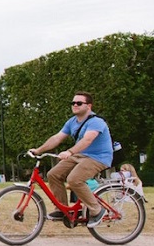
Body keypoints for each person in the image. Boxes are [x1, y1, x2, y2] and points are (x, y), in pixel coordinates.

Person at [28, 91, 113, 227]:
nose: (75, 105)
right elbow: (57, 137)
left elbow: (88, 139)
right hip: (80, 156)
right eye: (73, 103)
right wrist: (38, 150)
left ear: (89, 106)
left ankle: (97, 210)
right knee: (53, 174)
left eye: (79, 103)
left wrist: (70, 151)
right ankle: (62, 209)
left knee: (74, 179)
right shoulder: (72, 122)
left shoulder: (97, 122)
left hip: (98, 157)